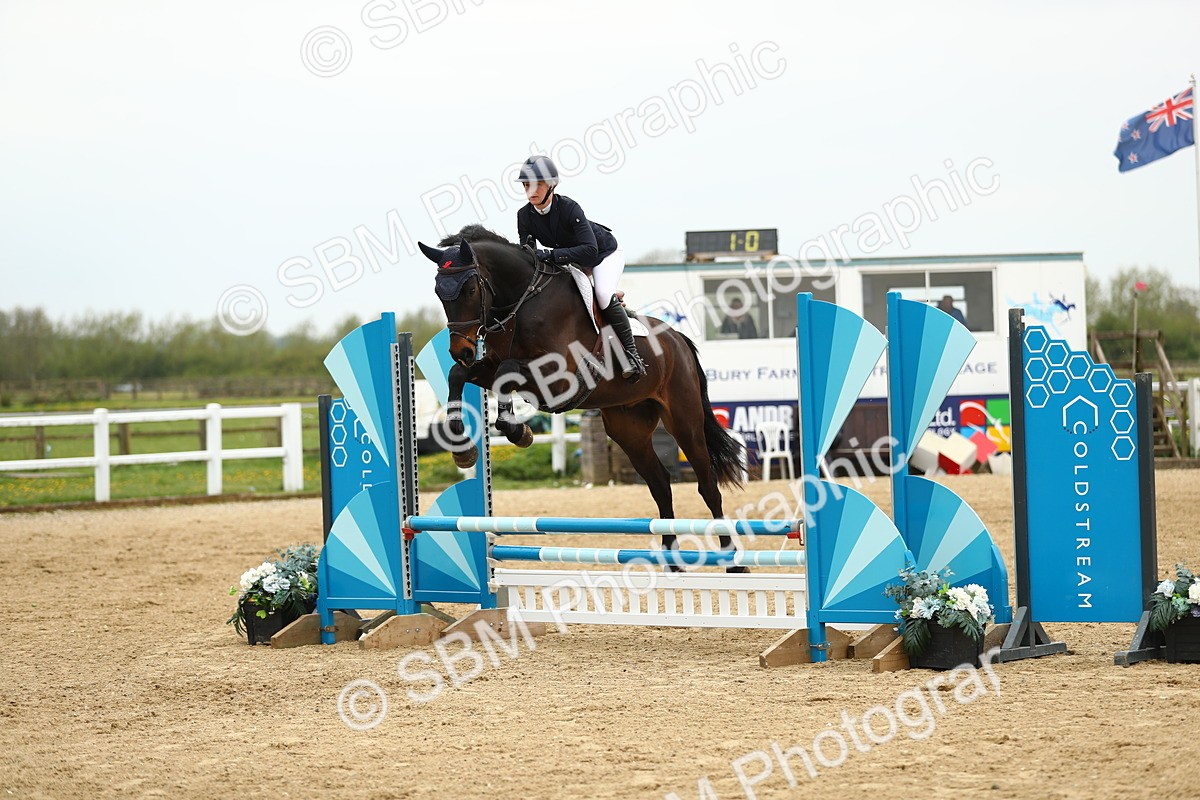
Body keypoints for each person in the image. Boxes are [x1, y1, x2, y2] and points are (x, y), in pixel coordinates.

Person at [515, 155, 646, 382]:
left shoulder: (569, 208)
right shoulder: (524, 216)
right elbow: (529, 255)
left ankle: (633, 356)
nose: (530, 190)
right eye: (526, 185)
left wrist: (550, 255)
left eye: (537, 184)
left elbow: (590, 251)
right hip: (573, 259)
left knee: (603, 294)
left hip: (604, 254)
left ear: (551, 185)